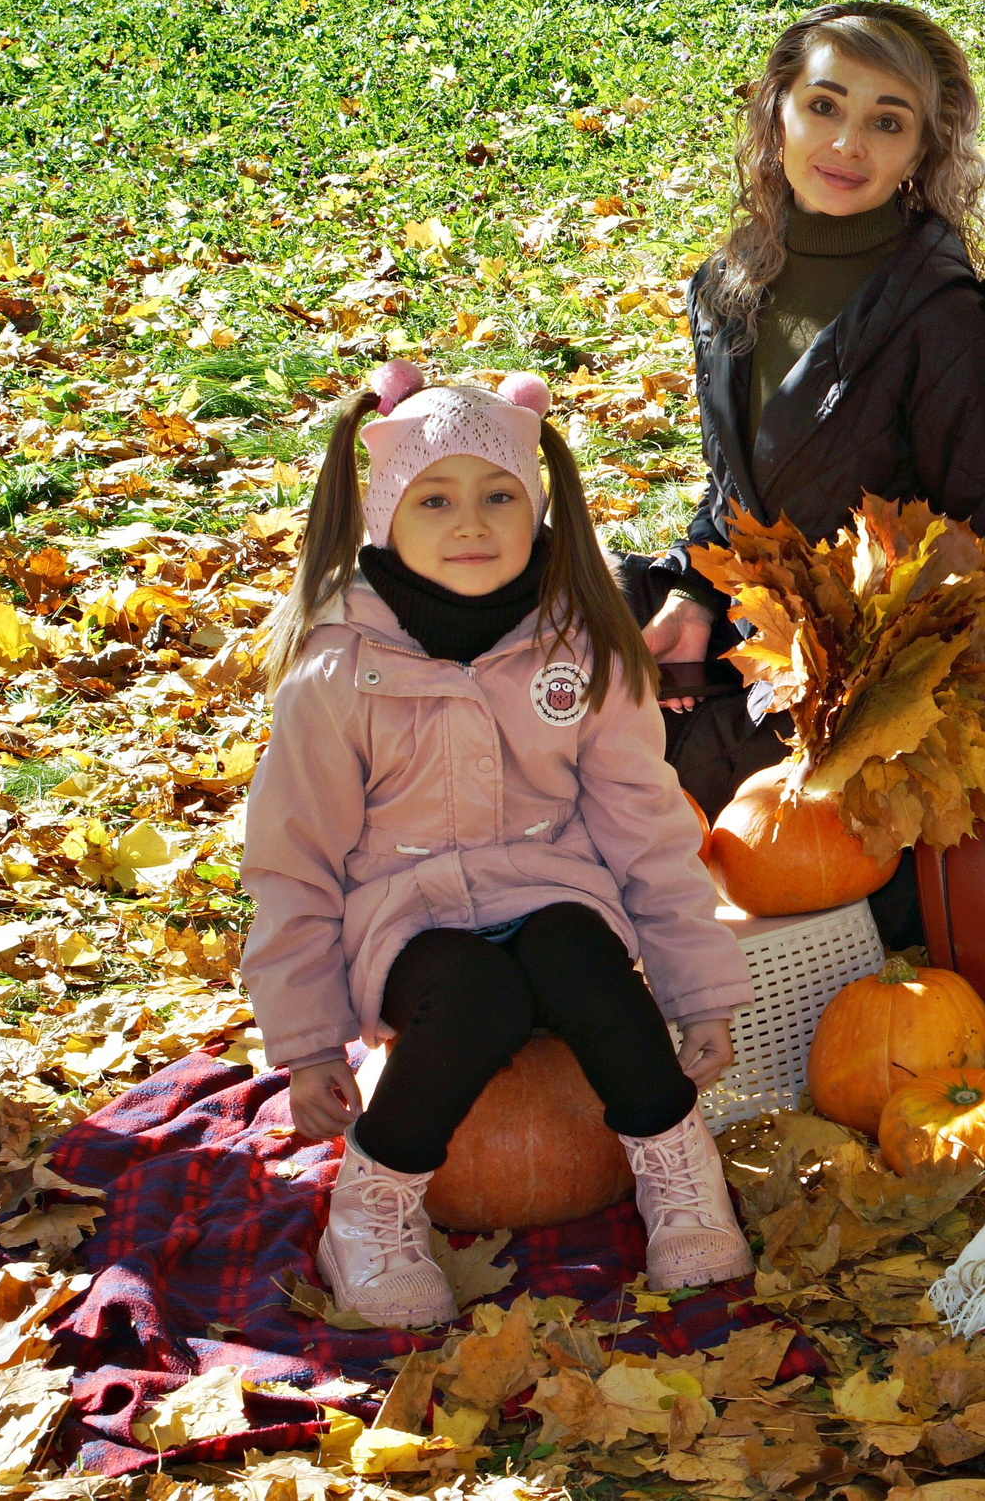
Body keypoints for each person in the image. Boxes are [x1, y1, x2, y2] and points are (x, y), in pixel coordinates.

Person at [243, 361, 756, 1330]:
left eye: (498, 496)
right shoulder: (339, 671)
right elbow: (293, 862)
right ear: (387, 515)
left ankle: (678, 1166)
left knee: (580, 956)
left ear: (539, 508)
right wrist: (307, 1043)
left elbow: (646, 829)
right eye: (435, 499)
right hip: (404, 922)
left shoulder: (582, 648)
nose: (470, 523)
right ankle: (372, 1205)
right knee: (479, 992)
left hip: (551, 891)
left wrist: (700, 992)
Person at [626, 2, 985, 824]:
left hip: (870, 692)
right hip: (749, 629)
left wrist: (849, 679)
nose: (848, 144)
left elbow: (984, 546)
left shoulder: (939, 316)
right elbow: (734, 493)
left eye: (887, 122)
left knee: (665, 789)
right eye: (824, 105)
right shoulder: (728, 284)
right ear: (777, 111)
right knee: (567, 615)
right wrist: (694, 596)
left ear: (921, 151)